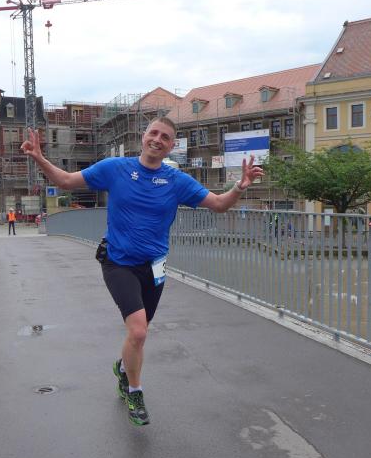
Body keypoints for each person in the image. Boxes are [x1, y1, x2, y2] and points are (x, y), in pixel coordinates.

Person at [21, 116, 263, 426]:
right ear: (144, 136)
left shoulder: (176, 180)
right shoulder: (115, 169)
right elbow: (67, 181)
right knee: (138, 331)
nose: (158, 140)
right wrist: (40, 158)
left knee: (139, 335)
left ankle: (123, 367)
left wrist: (240, 187)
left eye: (165, 137)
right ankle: (134, 390)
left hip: (155, 265)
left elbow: (217, 204)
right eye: (154, 133)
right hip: (119, 261)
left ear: (171, 146)